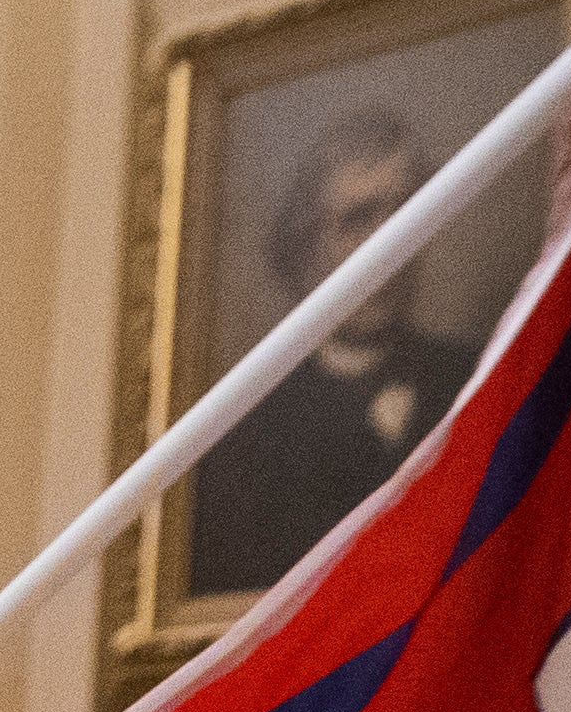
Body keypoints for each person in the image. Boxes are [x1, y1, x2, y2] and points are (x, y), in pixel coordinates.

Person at [187, 114, 483, 593]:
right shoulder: (247, 431)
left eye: (406, 212)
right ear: (308, 247)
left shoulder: (473, 380)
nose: (388, 243)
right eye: (357, 219)